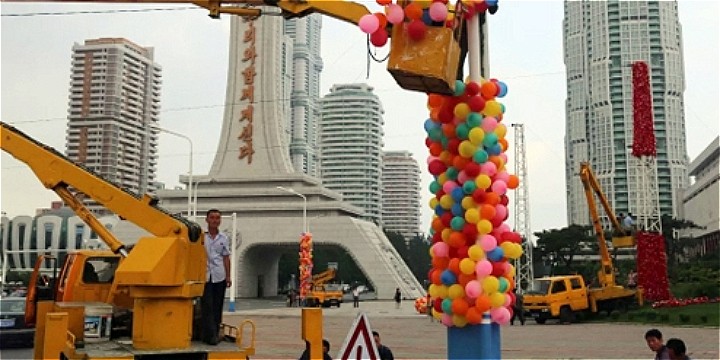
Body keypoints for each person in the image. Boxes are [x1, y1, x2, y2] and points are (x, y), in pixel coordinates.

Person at [201, 209, 231, 345]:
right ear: (206, 220)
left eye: (217, 218)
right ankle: (209, 335)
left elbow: (226, 258)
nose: (215, 220)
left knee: (217, 306)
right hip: (204, 276)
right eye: (212, 218)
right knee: (207, 305)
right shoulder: (201, 237)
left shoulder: (224, 238)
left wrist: (228, 276)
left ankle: (215, 333)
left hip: (219, 276)